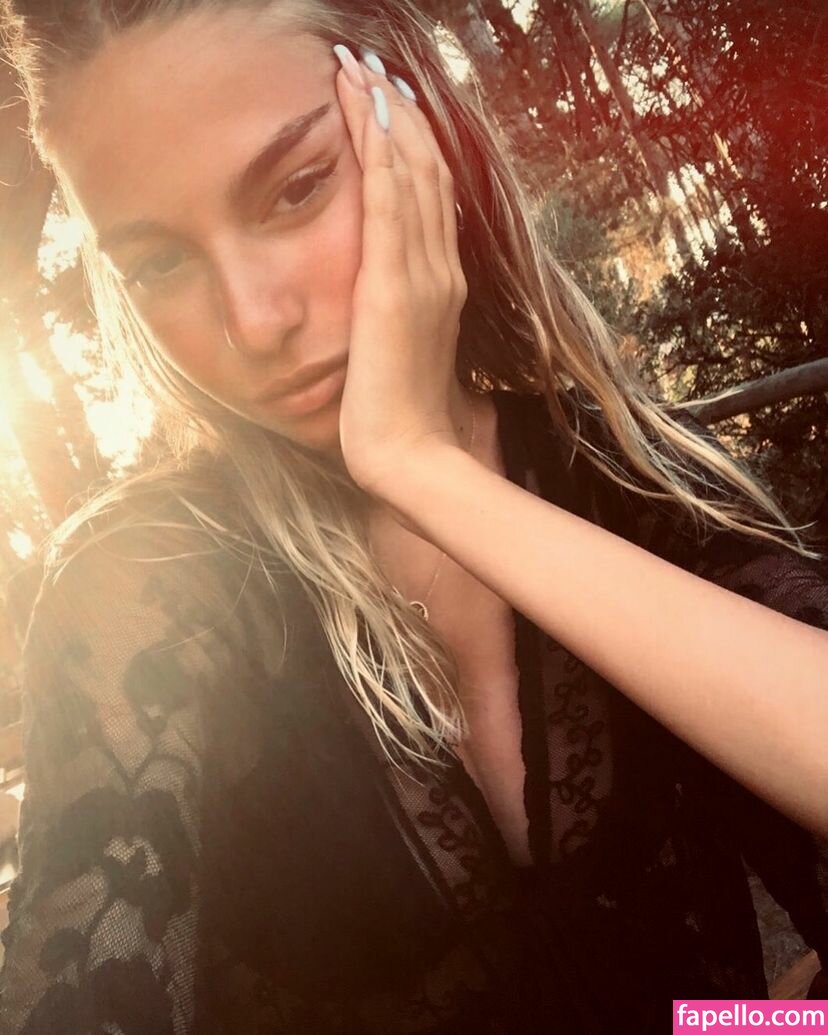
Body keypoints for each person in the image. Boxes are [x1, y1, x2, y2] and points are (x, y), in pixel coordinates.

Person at [0, 2, 826, 1032]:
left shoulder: (621, 479)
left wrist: (422, 468)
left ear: (421, 131)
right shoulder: (143, 591)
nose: (254, 321)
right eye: (158, 263)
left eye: (297, 187)